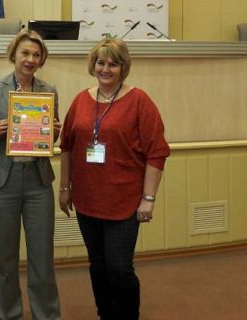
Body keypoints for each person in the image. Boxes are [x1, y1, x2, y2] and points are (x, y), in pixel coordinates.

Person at [59, 37, 170, 320]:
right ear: (93, 65)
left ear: (123, 67)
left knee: (119, 268)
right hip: (87, 200)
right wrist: (64, 188)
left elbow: (157, 152)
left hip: (124, 203)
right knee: (97, 265)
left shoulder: (139, 100)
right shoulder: (81, 100)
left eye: (113, 64)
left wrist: (148, 199)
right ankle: (105, 314)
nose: (105, 69)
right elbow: (67, 147)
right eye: (101, 63)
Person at [0, 29, 61, 320]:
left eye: (36, 54)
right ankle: (8, 314)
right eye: (25, 53)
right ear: (14, 55)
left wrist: (53, 132)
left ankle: (46, 315)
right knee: (5, 259)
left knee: (43, 258)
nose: (30, 59)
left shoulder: (49, 91)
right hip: (3, 181)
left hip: (38, 182)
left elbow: (51, 136)